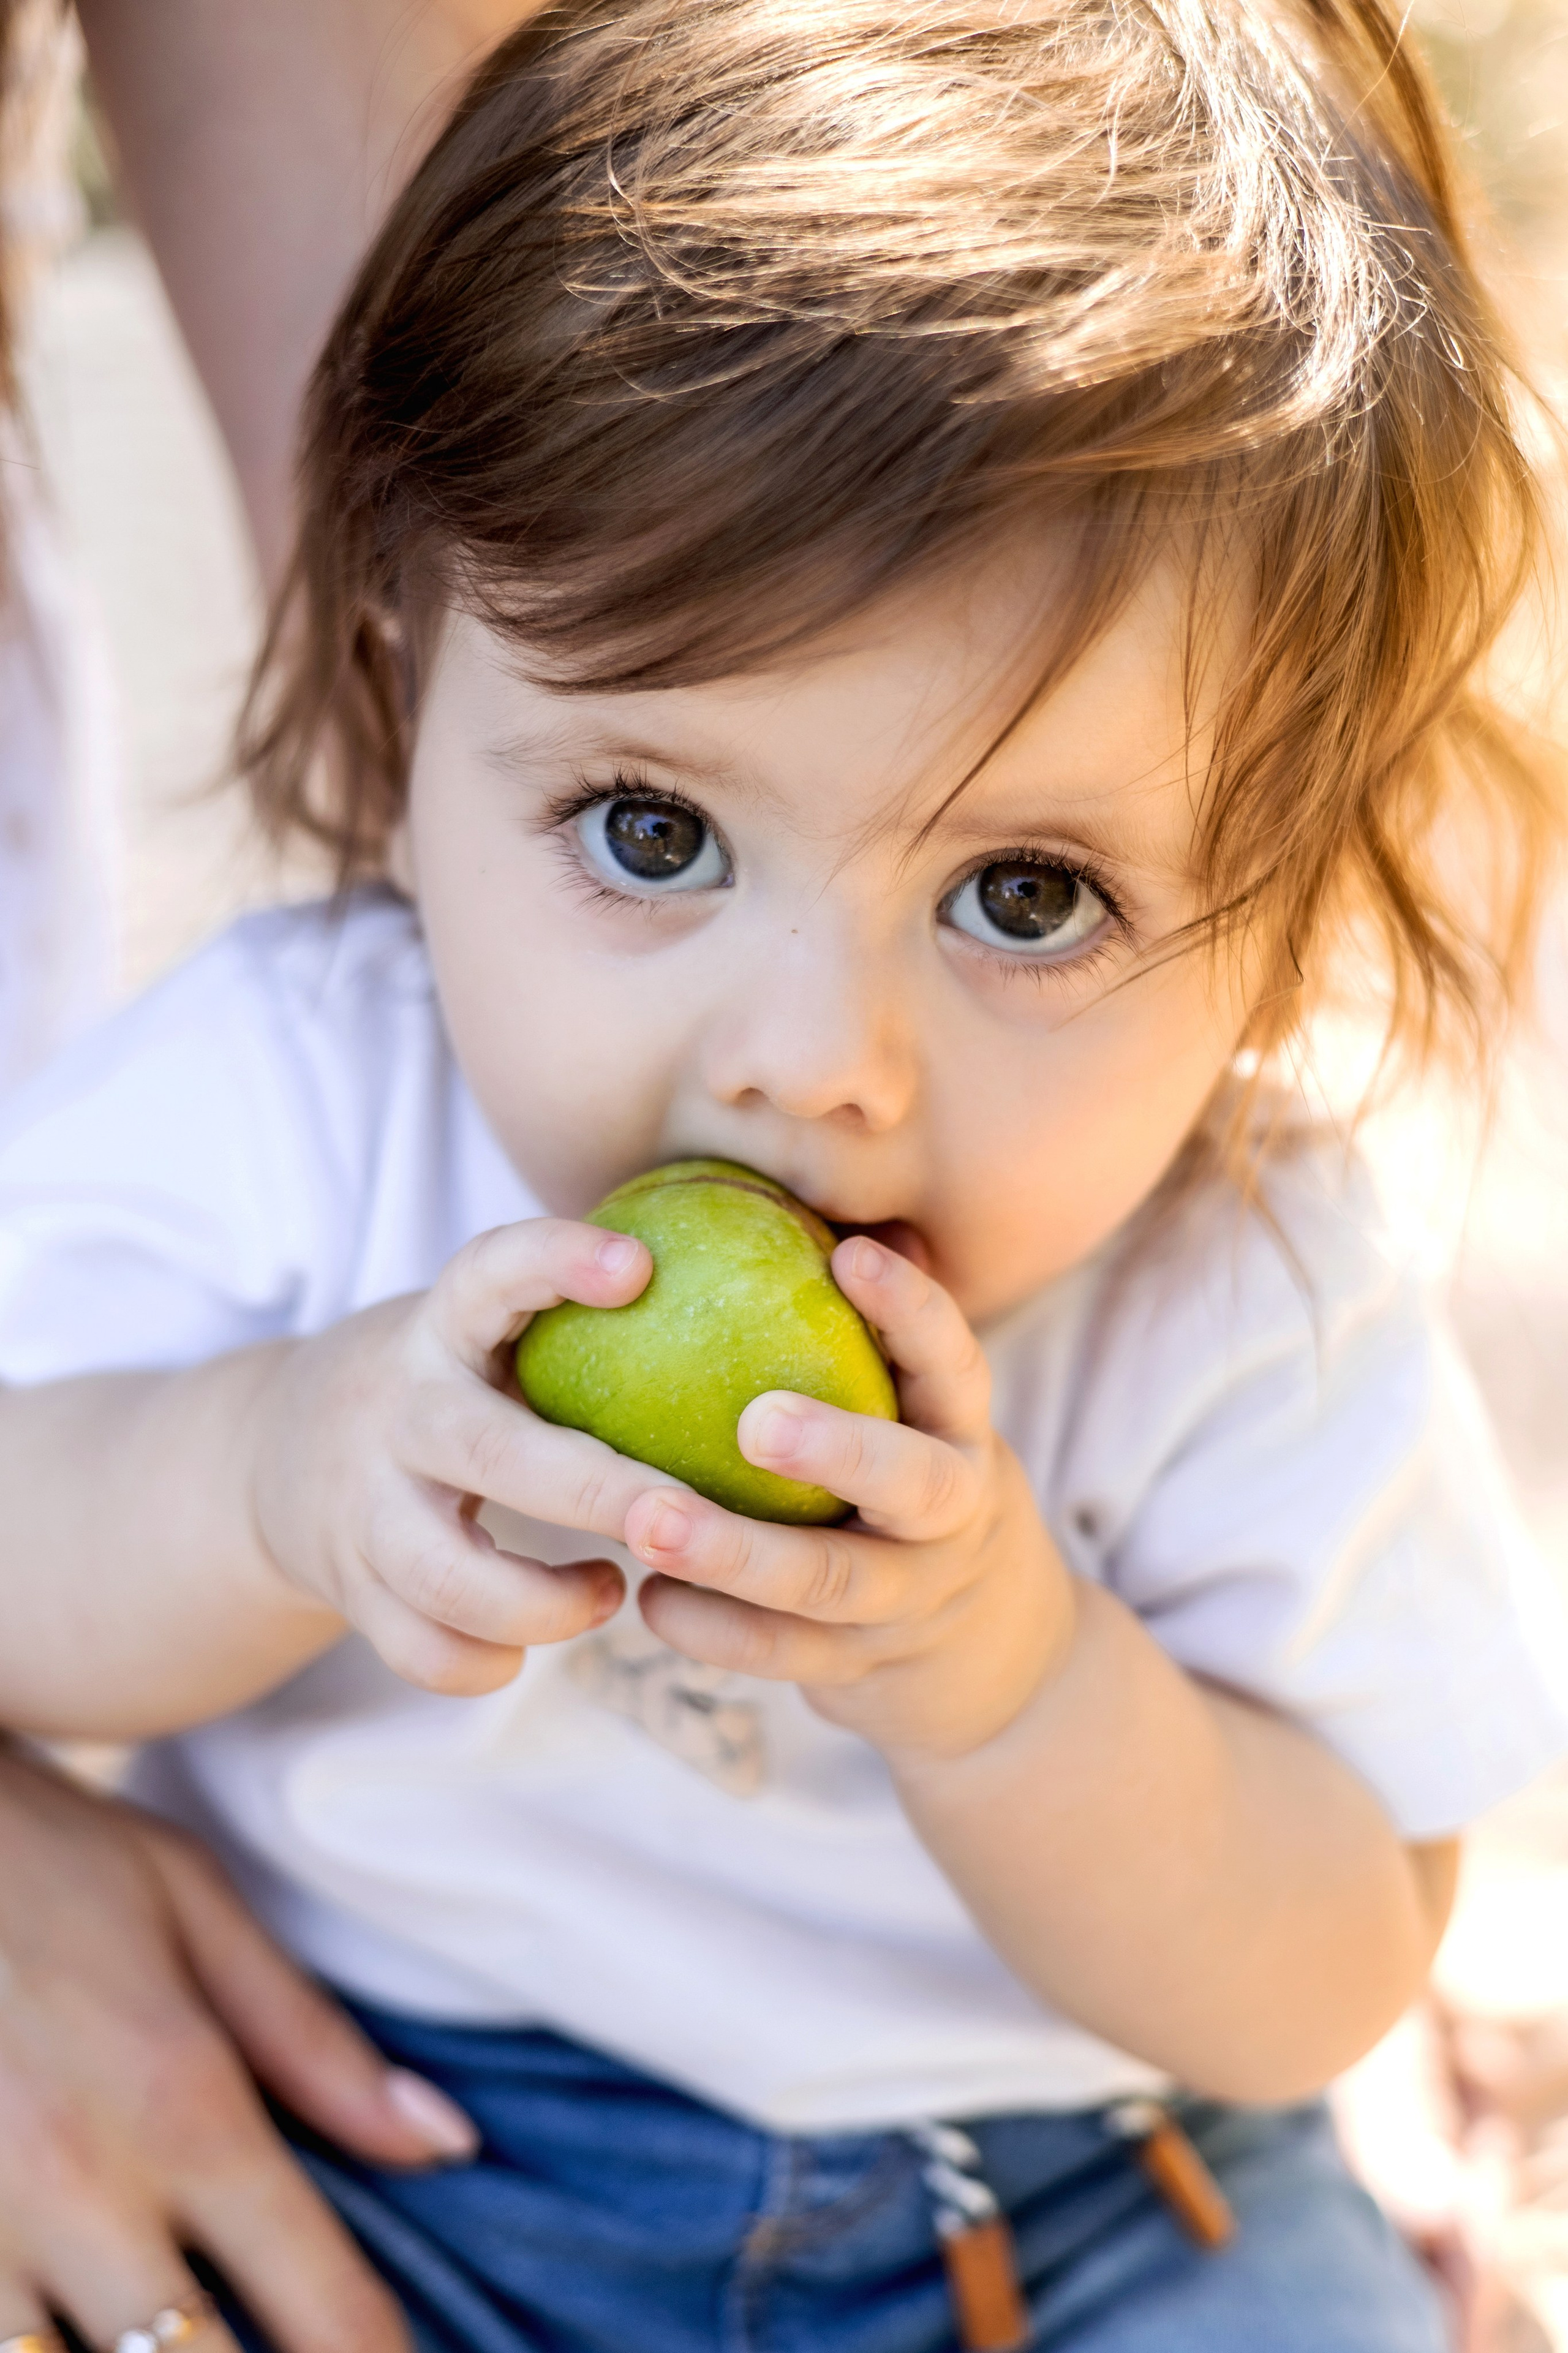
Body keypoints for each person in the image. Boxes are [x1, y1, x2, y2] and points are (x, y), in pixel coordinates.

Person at [0, 1, 1564, 2347]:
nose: (814, 1061)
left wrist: (1010, 1679)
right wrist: (276, 1470)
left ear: (1288, 908)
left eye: (1027, 896)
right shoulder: (306, 1095)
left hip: (1060, 2221)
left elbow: (1325, 1967)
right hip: (371, 2156)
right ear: (400, 682)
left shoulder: (1241, 1291)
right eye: (655, 832)